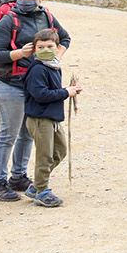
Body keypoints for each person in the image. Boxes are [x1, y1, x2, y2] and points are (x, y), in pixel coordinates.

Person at [0, 0, 71, 202]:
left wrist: (55, 59)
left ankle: (19, 177)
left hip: (34, 85)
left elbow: (65, 38)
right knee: (8, 134)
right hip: (11, 85)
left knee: (27, 134)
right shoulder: (8, 20)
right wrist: (19, 54)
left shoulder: (47, 16)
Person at [22, 28, 83, 207]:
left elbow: (51, 90)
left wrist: (70, 90)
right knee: (45, 155)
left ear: (57, 48)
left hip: (52, 117)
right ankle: (42, 189)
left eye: (49, 46)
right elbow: (41, 94)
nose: (45, 50)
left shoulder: (53, 66)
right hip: (40, 119)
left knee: (60, 151)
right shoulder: (37, 70)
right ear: (34, 49)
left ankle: (36, 185)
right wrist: (65, 92)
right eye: (40, 47)